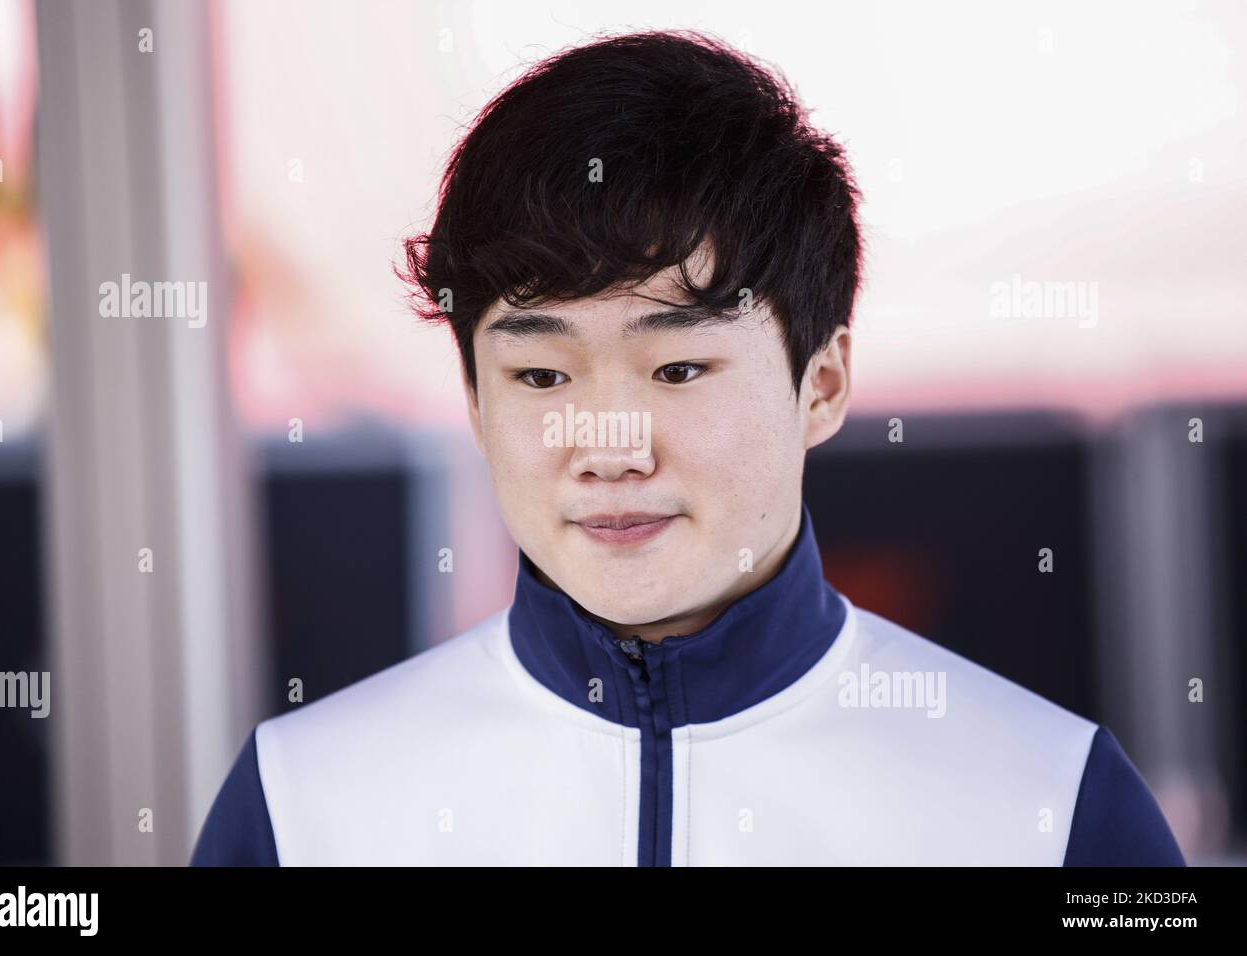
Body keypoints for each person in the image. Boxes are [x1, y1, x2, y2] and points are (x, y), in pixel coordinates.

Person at [191, 30, 1184, 866]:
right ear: (474, 398)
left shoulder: (1055, 807)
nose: (608, 448)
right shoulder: (299, 807)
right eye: (541, 377)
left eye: (677, 370)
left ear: (823, 382)